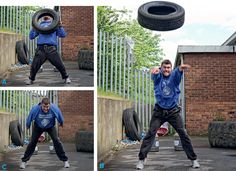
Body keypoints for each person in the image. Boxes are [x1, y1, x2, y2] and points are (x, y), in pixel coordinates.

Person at [136, 59, 200, 170]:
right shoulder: (158, 77)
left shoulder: (174, 77)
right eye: (164, 68)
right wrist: (154, 72)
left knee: (183, 134)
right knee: (150, 133)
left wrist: (180, 69)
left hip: (173, 112)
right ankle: (141, 159)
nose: (166, 70)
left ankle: (193, 159)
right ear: (161, 68)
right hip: (159, 111)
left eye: (168, 67)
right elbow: (155, 76)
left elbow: (178, 71)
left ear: (171, 68)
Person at [20, 98, 70, 169]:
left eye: (47, 107)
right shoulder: (35, 109)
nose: (46, 109)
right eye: (44, 107)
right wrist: (28, 125)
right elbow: (30, 117)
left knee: (56, 141)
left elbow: (59, 115)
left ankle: (65, 161)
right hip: (38, 127)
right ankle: (24, 161)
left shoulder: (54, 108)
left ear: (50, 105)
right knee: (32, 142)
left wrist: (61, 122)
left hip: (50, 126)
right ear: (41, 105)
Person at [26, 16, 71, 85]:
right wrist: (33, 27)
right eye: (44, 15)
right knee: (34, 65)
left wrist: (60, 26)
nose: (46, 16)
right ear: (42, 16)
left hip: (51, 49)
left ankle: (66, 78)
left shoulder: (55, 25)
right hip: (41, 49)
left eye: (48, 15)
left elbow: (62, 35)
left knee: (59, 64)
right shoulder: (39, 26)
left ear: (51, 17)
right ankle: (31, 79)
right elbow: (31, 37)